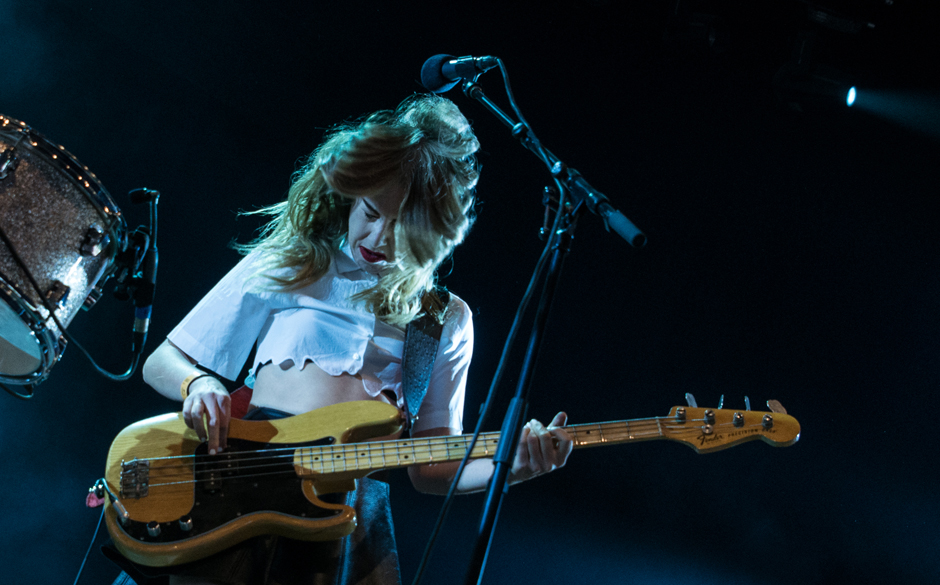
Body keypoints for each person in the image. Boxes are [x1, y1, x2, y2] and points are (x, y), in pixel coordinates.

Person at [113, 94, 572, 585]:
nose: (379, 237)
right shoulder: (295, 261)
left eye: (404, 227)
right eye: (371, 212)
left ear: (436, 234)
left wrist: (512, 466)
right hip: (238, 490)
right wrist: (199, 384)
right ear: (351, 194)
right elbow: (164, 360)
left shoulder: (446, 318)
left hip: (342, 519)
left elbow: (431, 465)